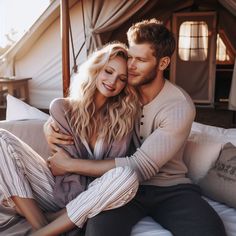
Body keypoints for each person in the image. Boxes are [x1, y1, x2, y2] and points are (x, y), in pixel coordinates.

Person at [45, 19, 227, 236]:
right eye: (130, 56)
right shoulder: (120, 87)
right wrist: (49, 126)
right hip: (117, 187)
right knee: (97, 231)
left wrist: (69, 165)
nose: (130, 66)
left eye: (140, 60)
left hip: (169, 187)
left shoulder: (178, 106)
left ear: (162, 63)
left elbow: (140, 167)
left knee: (210, 231)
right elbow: (80, 108)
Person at [0, 42, 139, 236]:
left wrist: (71, 166)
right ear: (96, 69)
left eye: (122, 78)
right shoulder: (62, 109)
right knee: (1, 138)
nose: (113, 81)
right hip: (59, 190)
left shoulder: (122, 120)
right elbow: (61, 169)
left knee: (127, 175)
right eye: (108, 71)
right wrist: (81, 171)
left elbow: (108, 169)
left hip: (97, 193)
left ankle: (47, 226)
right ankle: (44, 229)